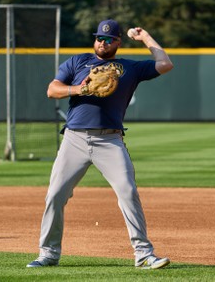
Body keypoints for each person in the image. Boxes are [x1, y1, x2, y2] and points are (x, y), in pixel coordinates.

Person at [27, 19, 174, 269]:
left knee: (128, 192)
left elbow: (165, 64)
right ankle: (48, 254)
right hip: (75, 138)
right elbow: (52, 90)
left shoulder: (130, 68)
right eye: (99, 38)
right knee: (55, 195)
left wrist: (146, 38)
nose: (102, 42)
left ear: (117, 42)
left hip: (110, 140)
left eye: (108, 39)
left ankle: (143, 254)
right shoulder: (78, 61)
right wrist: (78, 90)